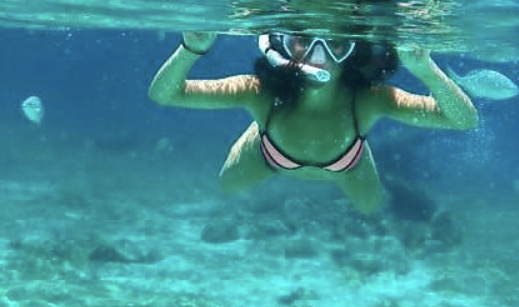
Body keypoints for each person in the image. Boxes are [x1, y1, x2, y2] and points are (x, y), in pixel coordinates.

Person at [148, 30, 479, 215]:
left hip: (347, 163)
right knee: (227, 188)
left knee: (371, 209)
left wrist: (425, 69)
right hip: (268, 152)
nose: (318, 57)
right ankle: (260, 130)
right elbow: (165, 94)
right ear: (283, 45)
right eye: (304, 42)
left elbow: (463, 120)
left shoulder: (370, 99)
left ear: (352, 50)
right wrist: (190, 48)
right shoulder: (257, 92)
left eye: (335, 43)